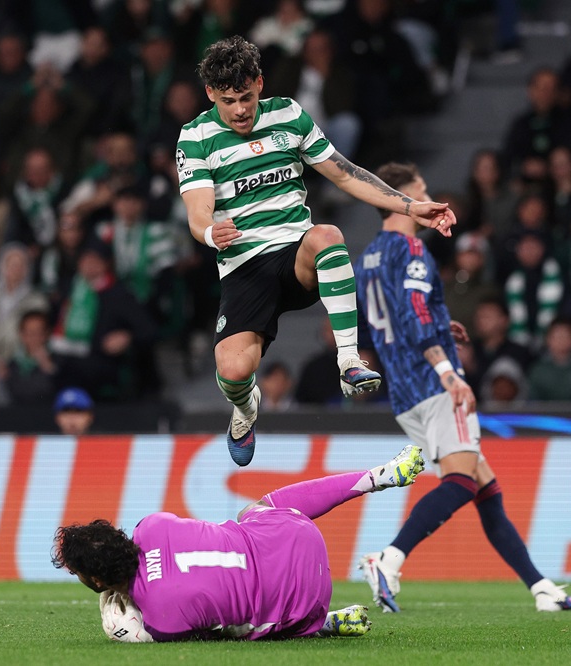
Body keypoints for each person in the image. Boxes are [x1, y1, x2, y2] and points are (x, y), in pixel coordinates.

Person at [177, 36, 453, 466]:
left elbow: (346, 175)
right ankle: (246, 409)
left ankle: (349, 360)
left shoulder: (289, 115)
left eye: (248, 97)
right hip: (245, 268)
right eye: (229, 100)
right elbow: (198, 212)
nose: (241, 110)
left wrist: (410, 205)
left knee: (327, 234)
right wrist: (212, 233)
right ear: (211, 93)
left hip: (295, 254)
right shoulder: (195, 137)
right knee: (232, 371)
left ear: (260, 84)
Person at [354, 162, 571, 614]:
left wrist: (442, 322)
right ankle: (389, 558)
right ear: (400, 198)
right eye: (421, 193)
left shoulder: (368, 259)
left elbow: (397, 317)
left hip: (403, 391)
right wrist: (448, 371)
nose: (428, 201)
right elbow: (416, 313)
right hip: (433, 382)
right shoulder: (413, 249)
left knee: (484, 486)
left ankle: (541, 588)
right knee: (460, 481)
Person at [51, 445, 426, 641]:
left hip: (305, 604)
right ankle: (380, 475)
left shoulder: (161, 619)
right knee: (256, 510)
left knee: (232, 625)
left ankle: (323, 624)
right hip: (298, 535)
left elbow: (180, 615)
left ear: (97, 582)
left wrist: (132, 634)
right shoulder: (152, 525)